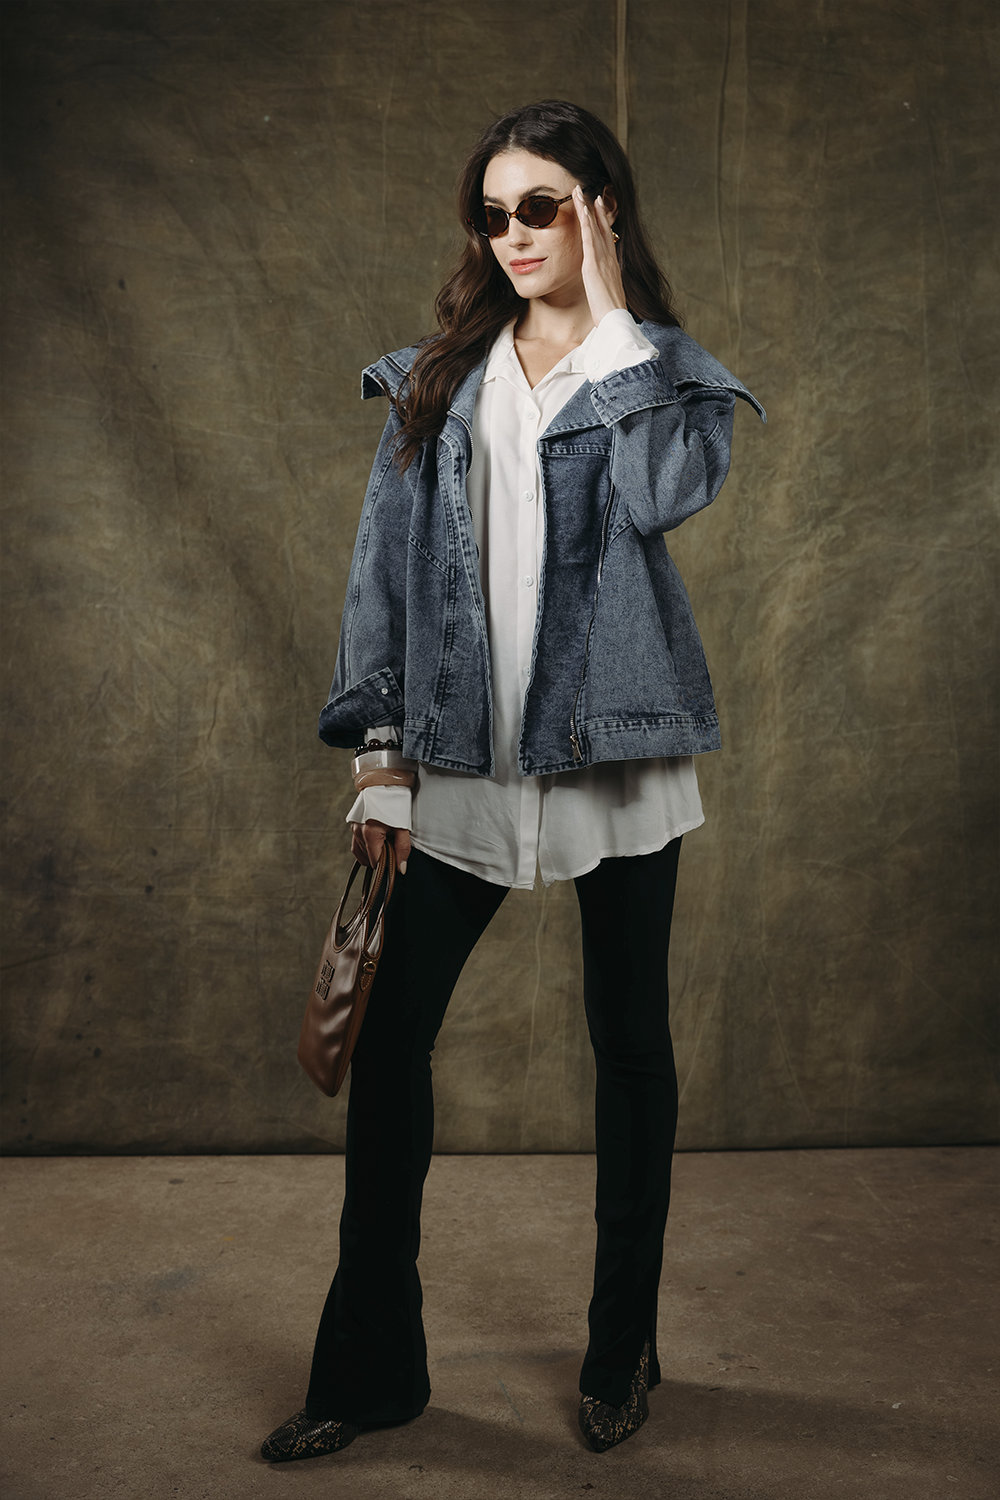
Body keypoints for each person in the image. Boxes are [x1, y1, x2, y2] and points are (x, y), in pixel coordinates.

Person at [261, 98, 764, 1464]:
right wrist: (381, 759)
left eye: (541, 206)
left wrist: (615, 323)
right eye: (494, 214)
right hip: (460, 754)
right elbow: (382, 575)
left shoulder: (658, 372)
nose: (514, 234)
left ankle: (622, 1351)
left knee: (632, 1050)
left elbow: (661, 497)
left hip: (616, 756)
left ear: (600, 208)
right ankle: (371, 1372)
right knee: (389, 1049)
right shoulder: (441, 376)